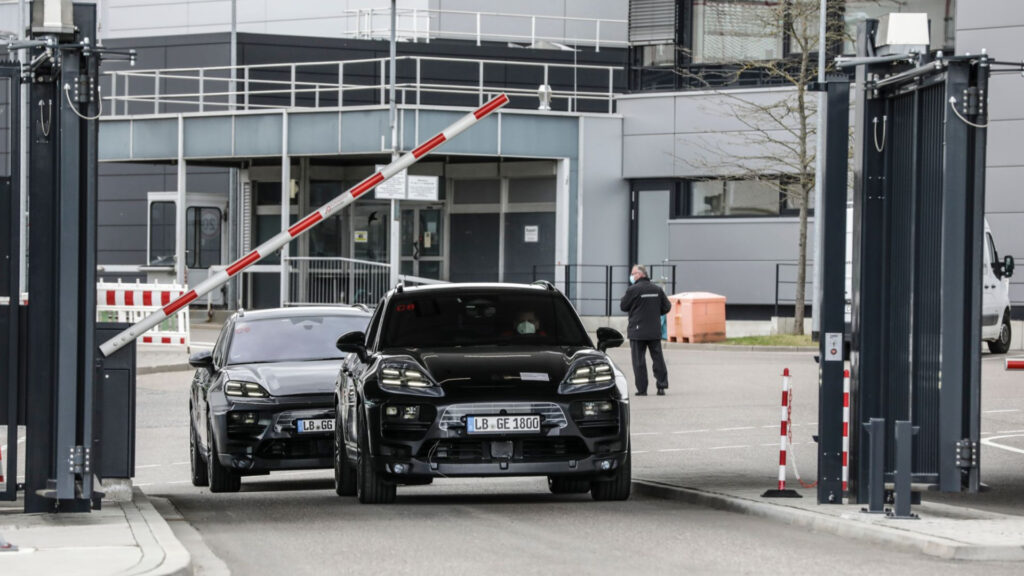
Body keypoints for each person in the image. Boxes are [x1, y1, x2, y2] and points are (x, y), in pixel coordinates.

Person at [620, 264, 672, 396]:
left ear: (640, 274)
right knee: (658, 358)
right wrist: (655, 313)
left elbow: (623, 306)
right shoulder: (657, 289)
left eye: (633, 273)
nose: (631, 276)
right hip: (654, 330)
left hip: (637, 331)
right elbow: (667, 307)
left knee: (639, 361)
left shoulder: (633, 290)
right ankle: (661, 386)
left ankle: (642, 389)